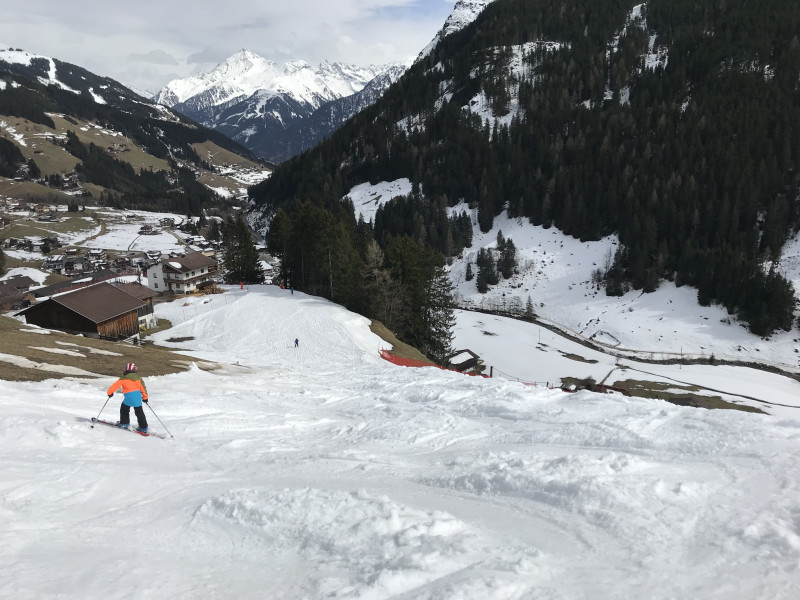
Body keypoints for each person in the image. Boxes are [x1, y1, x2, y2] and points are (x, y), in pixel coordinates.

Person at [108, 362, 149, 433]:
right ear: (134, 370)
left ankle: (124, 423)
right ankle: (143, 427)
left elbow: (114, 386)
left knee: (124, 408)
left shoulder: (123, 378)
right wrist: (145, 397)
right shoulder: (138, 379)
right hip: (137, 398)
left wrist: (110, 393)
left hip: (128, 397)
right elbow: (143, 389)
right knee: (139, 412)